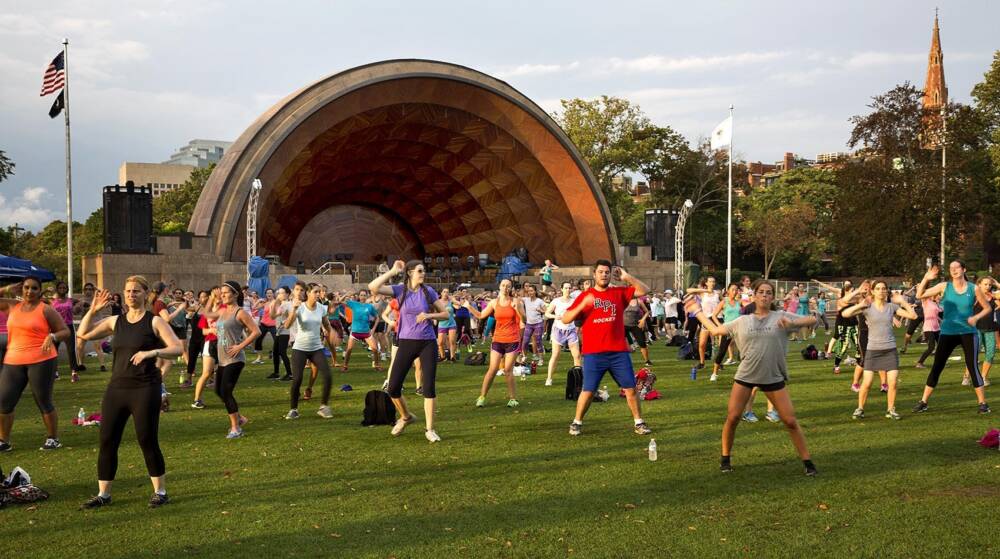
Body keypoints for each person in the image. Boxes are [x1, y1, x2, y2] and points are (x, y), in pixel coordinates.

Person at [684, 279, 818, 476]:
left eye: (768, 292)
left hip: (772, 376)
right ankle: (725, 458)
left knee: (790, 421)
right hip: (746, 375)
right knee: (733, 417)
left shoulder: (781, 316)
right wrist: (697, 311)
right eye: (761, 292)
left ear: (773, 297)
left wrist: (793, 323)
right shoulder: (742, 321)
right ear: (754, 295)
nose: (765, 295)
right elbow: (715, 330)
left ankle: (807, 462)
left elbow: (812, 320)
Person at [77, 277, 184, 508]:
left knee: (146, 439)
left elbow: (177, 348)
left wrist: (151, 353)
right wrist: (94, 310)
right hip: (117, 388)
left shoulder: (154, 321)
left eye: (136, 291)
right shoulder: (116, 321)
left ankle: (161, 492)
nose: (131, 294)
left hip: (145, 387)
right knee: (107, 440)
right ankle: (103, 495)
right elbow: (83, 334)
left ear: (145, 293)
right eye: (127, 291)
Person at [561, 261, 652, 436]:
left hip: (618, 352)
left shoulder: (618, 293)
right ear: (594, 274)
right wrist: (583, 304)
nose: (604, 275)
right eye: (601, 272)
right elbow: (566, 319)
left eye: (607, 272)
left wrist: (626, 277)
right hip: (594, 353)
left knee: (630, 388)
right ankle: (577, 422)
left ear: (610, 275)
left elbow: (644, 290)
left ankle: (639, 422)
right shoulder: (585, 296)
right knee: (588, 390)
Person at [369, 260, 449, 441]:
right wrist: (392, 271)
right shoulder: (400, 290)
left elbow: (445, 314)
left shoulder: (428, 291)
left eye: (424, 270)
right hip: (405, 342)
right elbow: (373, 287)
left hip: (427, 342)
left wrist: (429, 315)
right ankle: (406, 416)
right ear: (410, 273)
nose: (423, 273)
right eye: (419, 271)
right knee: (393, 387)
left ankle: (430, 429)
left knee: (429, 387)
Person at [0, 278, 71, 451]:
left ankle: (53, 438)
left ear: (40, 291)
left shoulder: (46, 310)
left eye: (34, 288)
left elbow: (65, 331)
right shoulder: (12, 306)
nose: (29, 291)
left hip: (42, 360)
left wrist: (52, 337)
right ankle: (4, 441)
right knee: (4, 402)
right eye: (26, 287)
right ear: (21, 288)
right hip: (13, 360)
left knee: (43, 401)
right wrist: (6, 288)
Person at [913, 262, 992, 414]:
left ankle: (983, 403)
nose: (954, 270)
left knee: (972, 366)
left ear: (964, 269)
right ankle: (923, 402)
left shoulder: (973, 288)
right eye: (951, 268)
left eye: (957, 267)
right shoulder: (944, 287)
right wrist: (926, 278)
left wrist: (976, 318)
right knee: (937, 366)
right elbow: (919, 295)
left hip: (968, 332)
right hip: (948, 332)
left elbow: (987, 307)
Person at [842, 280, 917, 420]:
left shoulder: (892, 307)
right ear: (873, 291)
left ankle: (891, 410)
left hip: (890, 350)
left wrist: (903, 301)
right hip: (873, 350)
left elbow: (913, 316)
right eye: (878, 288)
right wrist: (861, 304)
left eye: (884, 288)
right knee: (867, 382)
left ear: (886, 291)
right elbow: (845, 314)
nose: (881, 291)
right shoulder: (868, 307)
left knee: (893, 382)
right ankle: (860, 408)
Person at [465, 279, 525, 408]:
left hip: (512, 340)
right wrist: (468, 306)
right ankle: (482, 397)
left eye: (508, 286)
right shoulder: (493, 303)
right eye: (503, 285)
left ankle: (513, 399)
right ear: (499, 286)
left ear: (510, 288)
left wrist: (518, 310)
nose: (505, 288)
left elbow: (524, 319)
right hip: (498, 340)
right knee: (492, 369)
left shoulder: (515, 302)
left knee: (508, 370)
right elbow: (481, 315)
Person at [213, 281, 260, 438]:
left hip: (235, 359)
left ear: (235, 294)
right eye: (222, 292)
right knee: (218, 391)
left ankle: (236, 428)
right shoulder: (222, 311)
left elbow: (256, 331)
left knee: (226, 391)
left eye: (227, 292)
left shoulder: (240, 312)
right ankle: (239, 418)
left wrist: (240, 346)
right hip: (222, 358)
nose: (223, 295)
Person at [283, 282, 337, 419]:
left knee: (328, 376)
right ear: (308, 293)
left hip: (316, 348)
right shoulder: (300, 308)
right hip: (300, 348)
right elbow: (287, 325)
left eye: (320, 292)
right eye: (316, 292)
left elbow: (326, 324)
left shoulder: (321, 308)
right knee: (297, 379)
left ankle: (324, 406)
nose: (319, 294)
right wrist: (294, 310)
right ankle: (293, 409)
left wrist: (332, 332)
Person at [544, 281, 582, 387]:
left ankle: (578, 379)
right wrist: (554, 317)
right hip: (558, 330)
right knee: (555, 355)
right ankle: (549, 378)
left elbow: (579, 312)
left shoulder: (575, 301)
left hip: (571, 330)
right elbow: (547, 313)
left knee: (577, 355)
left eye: (569, 288)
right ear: (561, 289)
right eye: (565, 288)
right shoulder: (556, 301)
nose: (568, 290)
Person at [49, 281, 83, 381]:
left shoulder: (70, 300)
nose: (62, 290)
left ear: (67, 289)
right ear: (57, 289)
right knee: (54, 350)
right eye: (60, 288)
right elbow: (38, 300)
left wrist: (78, 307)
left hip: (68, 326)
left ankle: (74, 373)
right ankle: (55, 373)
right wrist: (46, 290)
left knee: (71, 350)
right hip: (56, 327)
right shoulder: (52, 301)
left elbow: (82, 302)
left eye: (64, 288)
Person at [710, 283, 743, 381]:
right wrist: (720, 326)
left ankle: (744, 374)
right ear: (728, 291)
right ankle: (714, 373)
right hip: (727, 329)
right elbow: (714, 315)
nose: (735, 291)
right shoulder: (724, 302)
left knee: (743, 352)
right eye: (733, 289)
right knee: (722, 351)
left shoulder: (739, 302)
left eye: (736, 289)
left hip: (738, 329)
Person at [341, 290, 380, 371]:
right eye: (361, 295)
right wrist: (346, 294)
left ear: (367, 296)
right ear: (359, 296)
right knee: (349, 350)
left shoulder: (370, 306)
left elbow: (377, 318)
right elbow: (340, 301)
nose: (363, 297)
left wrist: (373, 329)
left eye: (364, 295)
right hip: (355, 331)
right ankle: (345, 366)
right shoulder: (354, 304)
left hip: (366, 332)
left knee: (375, 349)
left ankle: (376, 365)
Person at [267, 287, 293, 381]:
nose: (279, 294)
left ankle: (290, 374)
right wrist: (273, 304)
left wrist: (284, 323)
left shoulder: (289, 304)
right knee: (276, 352)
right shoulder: (281, 304)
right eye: (279, 292)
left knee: (282, 352)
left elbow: (292, 316)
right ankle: (276, 372)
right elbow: (272, 316)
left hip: (285, 332)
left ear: (287, 294)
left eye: (282, 293)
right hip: (279, 332)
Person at [519, 283, 547, 364]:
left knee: (538, 341)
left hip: (538, 323)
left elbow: (546, 311)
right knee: (525, 341)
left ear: (535, 292)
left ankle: (541, 359)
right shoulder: (526, 300)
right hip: (529, 324)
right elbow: (517, 298)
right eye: (529, 291)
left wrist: (541, 311)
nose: (530, 292)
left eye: (531, 291)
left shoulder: (540, 301)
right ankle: (524, 356)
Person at [914, 293, 942, 369]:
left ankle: (939, 363)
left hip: (936, 328)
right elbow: (920, 293)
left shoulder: (935, 303)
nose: (940, 296)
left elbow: (935, 315)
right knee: (931, 347)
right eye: (939, 295)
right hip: (928, 328)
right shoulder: (926, 301)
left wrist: (941, 320)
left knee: (941, 346)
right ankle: (919, 363)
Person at [623, 296, 651, 366]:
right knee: (620, 344)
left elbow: (647, 312)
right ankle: (621, 361)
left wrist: (643, 320)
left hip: (636, 325)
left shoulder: (639, 301)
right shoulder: (623, 300)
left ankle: (647, 361)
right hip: (623, 325)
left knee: (642, 343)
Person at [436, 289, 459, 362]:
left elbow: (458, 305)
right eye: (444, 292)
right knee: (440, 342)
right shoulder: (438, 302)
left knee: (452, 341)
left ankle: (453, 357)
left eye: (447, 292)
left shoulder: (451, 301)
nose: (446, 293)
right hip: (442, 324)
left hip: (451, 323)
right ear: (441, 293)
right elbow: (435, 311)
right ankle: (442, 356)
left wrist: (453, 299)